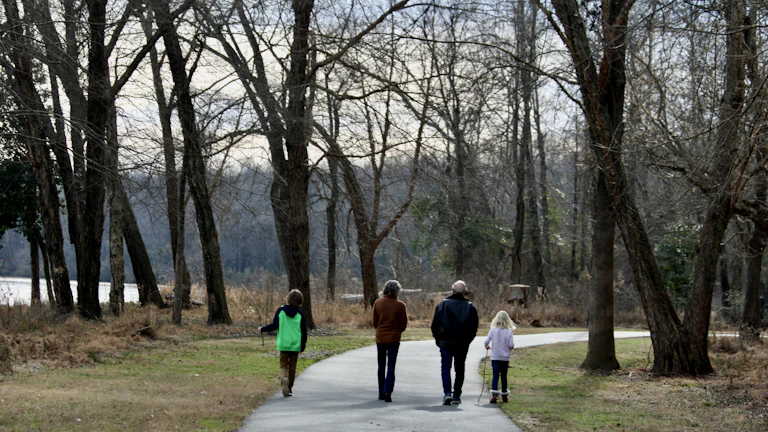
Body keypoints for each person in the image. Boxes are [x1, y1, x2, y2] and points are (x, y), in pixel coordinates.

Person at [431, 280, 479, 405]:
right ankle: (457, 395)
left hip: (445, 341)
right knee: (460, 368)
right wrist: (468, 340)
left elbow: (435, 324)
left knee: (446, 367)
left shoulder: (442, 305)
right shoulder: (470, 307)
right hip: (462, 343)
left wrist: (438, 339)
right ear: (464, 292)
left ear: (452, 290)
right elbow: (473, 327)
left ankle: (447, 393)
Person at [259, 289, 307, 397]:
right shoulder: (300, 314)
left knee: (283, 364)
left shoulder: (280, 311)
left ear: (288, 299)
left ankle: (283, 378)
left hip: (283, 344)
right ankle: (289, 387)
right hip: (295, 344)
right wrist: (303, 345)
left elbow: (275, 325)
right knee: (293, 366)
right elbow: (304, 331)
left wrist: (263, 329)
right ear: (300, 301)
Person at [372, 280, 408, 402]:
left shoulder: (378, 303)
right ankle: (388, 391)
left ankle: (381, 392)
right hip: (394, 338)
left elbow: (374, 322)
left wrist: (380, 329)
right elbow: (404, 324)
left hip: (380, 337)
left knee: (381, 365)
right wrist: (397, 332)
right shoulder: (400, 305)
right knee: (391, 366)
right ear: (397, 291)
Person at [483, 310, 516, 403]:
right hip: (505, 358)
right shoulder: (509, 332)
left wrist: (487, 347)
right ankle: (504, 396)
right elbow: (511, 345)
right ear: (508, 320)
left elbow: (486, 342)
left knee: (495, 375)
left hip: (495, 357)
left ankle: (494, 396)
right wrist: (508, 348)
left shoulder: (493, 330)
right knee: (504, 376)